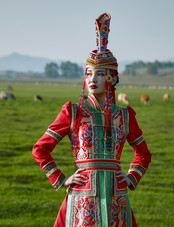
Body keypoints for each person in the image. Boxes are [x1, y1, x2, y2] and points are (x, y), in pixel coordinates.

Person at [32, 13, 151, 227]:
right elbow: (40, 149)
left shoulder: (124, 116)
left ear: (112, 78)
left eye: (98, 74)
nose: (92, 80)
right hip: (82, 196)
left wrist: (132, 177)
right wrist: (60, 179)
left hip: (117, 196)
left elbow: (143, 153)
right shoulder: (73, 112)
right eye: (88, 74)